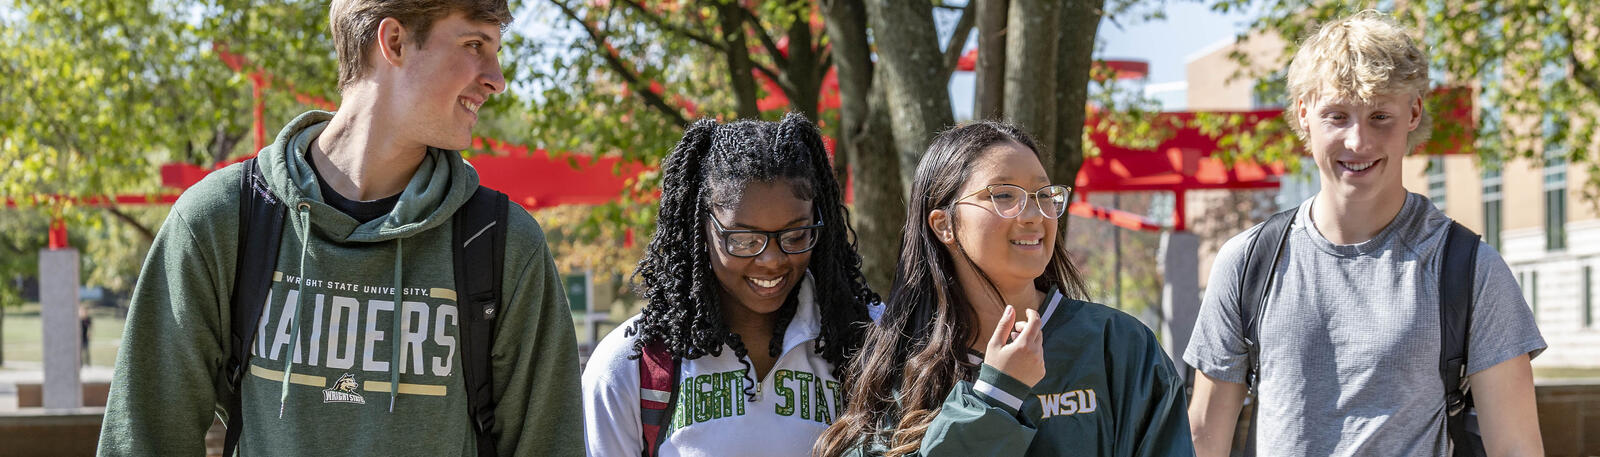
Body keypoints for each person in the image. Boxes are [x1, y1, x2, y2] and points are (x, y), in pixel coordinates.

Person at [97, 1, 583, 455]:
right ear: (392, 42)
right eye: (475, 45)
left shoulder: (500, 243)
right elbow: (142, 439)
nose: (496, 79)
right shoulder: (223, 219)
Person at [1184, 11, 1546, 457]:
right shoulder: (1247, 262)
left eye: (1380, 116)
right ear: (1304, 114)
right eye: (1337, 116)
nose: (1358, 142)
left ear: (1413, 112)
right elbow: (1203, 439)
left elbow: (1516, 447)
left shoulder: (1469, 268)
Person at [816, 121, 1193, 457]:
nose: (1033, 215)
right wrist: (997, 396)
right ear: (943, 224)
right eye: (1003, 195)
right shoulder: (898, 360)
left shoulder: (1120, 345)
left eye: (1043, 195)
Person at [582, 113, 879, 457]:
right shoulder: (629, 366)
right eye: (744, 239)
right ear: (701, 230)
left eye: (796, 235)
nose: (771, 259)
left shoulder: (873, 341)